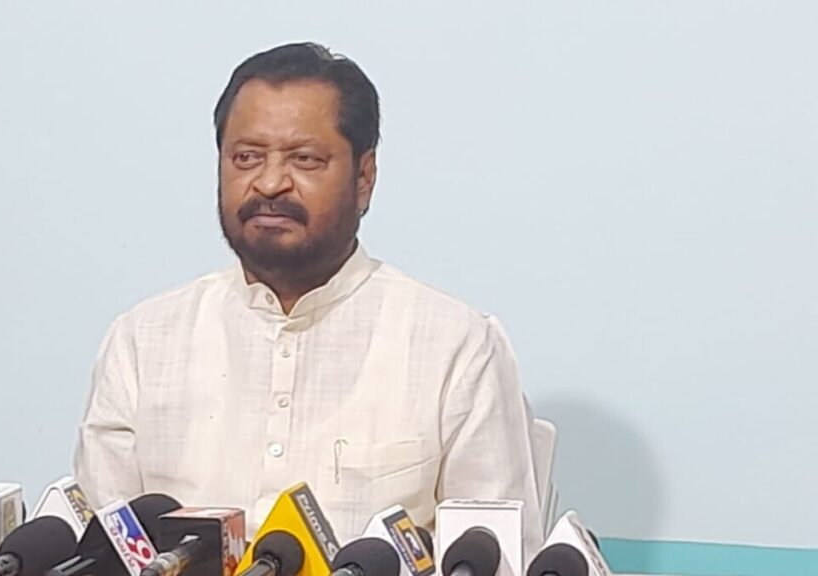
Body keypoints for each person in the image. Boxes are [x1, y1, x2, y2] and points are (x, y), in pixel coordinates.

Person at [73, 42, 544, 553]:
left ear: (364, 178)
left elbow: (499, 556)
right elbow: (100, 552)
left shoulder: (456, 345)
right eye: (247, 157)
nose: (270, 183)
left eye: (304, 159)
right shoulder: (142, 343)